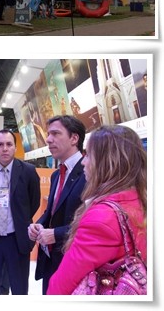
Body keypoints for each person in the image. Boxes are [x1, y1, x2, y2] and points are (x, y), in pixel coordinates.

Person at [47, 124, 147, 294]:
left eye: (89, 155)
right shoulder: (139, 199)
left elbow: (62, 285)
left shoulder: (102, 216)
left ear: (106, 162)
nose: (84, 162)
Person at [0, 129, 40, 295]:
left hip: (17, 240)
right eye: (0, 144)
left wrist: (20, 220)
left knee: (19, 289)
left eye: (9, 144)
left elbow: (33, 203)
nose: (5, 148)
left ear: (15, 147)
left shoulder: (28, 171)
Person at [28, 115, 87, 294]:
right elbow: (52, 211)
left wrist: (56, 234)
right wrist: (39, 224)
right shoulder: (56, 175)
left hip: (74, 262)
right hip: (50, 259)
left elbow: (91, 222)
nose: (48, 139)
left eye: (55, 133)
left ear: (74, 138)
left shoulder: (90, 172)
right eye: (48, 134)